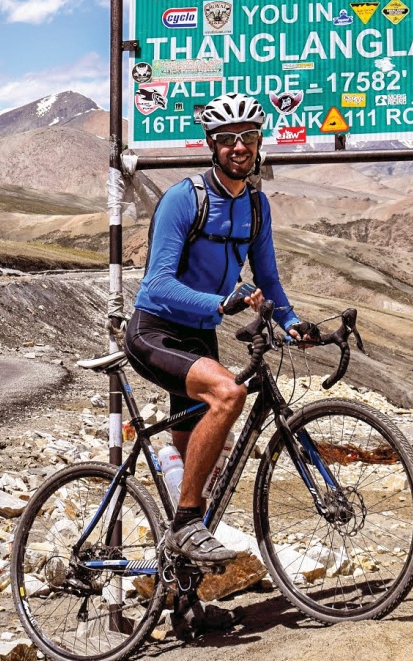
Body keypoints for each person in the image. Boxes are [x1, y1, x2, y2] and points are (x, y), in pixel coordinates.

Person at [124, 92, 308, 565]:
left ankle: (185, 596)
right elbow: (158, 283)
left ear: (260, 141)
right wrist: (220, 301)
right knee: (229, 394)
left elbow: (268, 278)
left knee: (200, 472)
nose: (239, 147)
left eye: (247, 136)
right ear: (211, 145)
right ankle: (186, 525)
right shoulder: (184, 199)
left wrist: (292, 321)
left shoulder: (257, 207)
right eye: (227, 139)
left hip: (198, 337)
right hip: (155, 332)